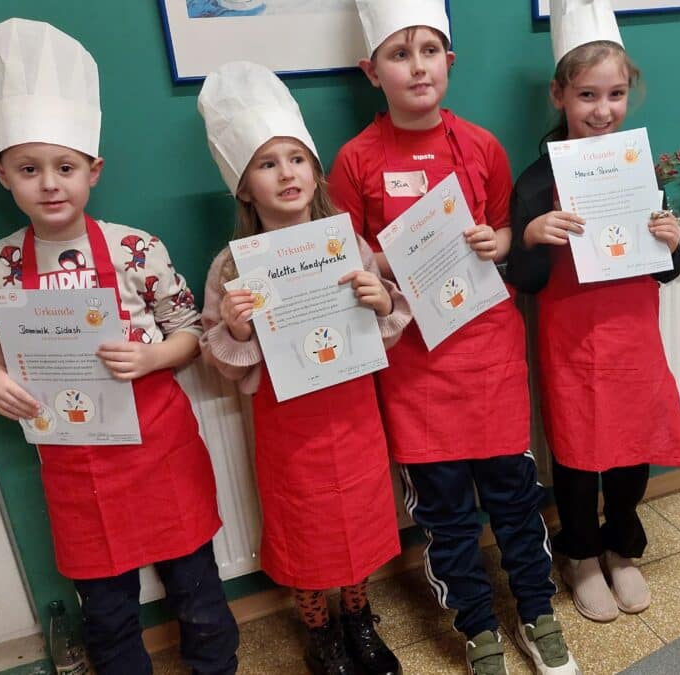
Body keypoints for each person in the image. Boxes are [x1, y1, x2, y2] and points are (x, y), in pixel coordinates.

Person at [0, 18, 238, 675]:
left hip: (160, 449)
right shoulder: (0, 262)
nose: (50, 183)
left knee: (198, 592)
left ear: (94, 169)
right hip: (76, 467)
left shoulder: (135, 248)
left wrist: (152, 357)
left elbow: (193, 331)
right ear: (1, 174)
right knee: (107, 610)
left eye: (65, 167)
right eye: (29, 169)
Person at [327, 2, 578, 673]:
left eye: (429, 51)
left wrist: (490, 239)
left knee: (515, 500)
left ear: (450, 62)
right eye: (400, 54)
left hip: (487, 350)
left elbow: (502, 235)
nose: (417, 66)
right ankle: (476, 626)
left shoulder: (482, 146)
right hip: (413, 364)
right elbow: (343, 256)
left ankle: (536, 611)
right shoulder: (355, 160)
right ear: (371, 70)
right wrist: (389, 258)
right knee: (445, 514)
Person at [197, 60, 411, 675]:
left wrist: (379, 301)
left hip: (353, 415)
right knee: (305, 524)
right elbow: (221, 359)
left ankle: (360, 620)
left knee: (361, 519)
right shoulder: (231, 269)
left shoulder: (350, 246)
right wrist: (237, 329)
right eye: (267, 163)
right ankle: (320, 631)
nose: (285, 173)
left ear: (315, 170)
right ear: (244, 186)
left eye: (296, 158)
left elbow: (383, 330)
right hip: (288, 427)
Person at [505, 0, 680, 625]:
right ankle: (580, 554)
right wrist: (531, 237)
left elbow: (665, 269)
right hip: (572, 343)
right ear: (559, 94)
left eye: (615, 94)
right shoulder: (534, 182)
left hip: (634, 338)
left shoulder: (637, 169)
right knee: (580, 455)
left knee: (633, 446)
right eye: (587, 95)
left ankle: (622, 544)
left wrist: (671, 239)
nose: (602, 110)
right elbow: (524, 281)